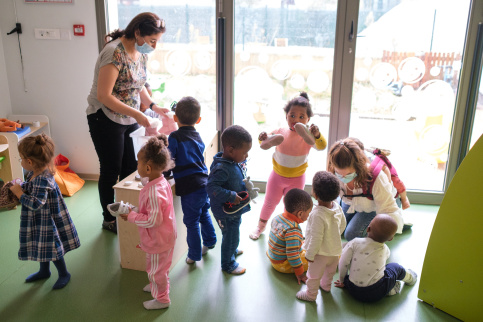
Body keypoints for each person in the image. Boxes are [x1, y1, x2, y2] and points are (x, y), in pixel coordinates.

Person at [86, 12, 169, 233]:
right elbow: (104, 95)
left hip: (129, 115)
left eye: (156, 42)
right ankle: (109, 218)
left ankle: (126, 212)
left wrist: (152, 106)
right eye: (152, 40)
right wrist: (139, 115)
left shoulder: (140, 53)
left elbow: (138, 82)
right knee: (111, 169)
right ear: (138, 32)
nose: (154, 46)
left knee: (131, 167)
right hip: (104, 116)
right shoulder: (114, 52)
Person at [249, 92, 327, 240]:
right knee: (269, 202)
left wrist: (316, 135)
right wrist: (263, 138)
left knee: (292, 207)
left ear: (308, 119)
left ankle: (289, 231)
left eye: (301, 117)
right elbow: (263, 143)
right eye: (292, 115)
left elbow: (321, 146)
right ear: (286, 116)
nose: (295, 119)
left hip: (297, 178)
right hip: (277, 176)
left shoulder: (308, 137)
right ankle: (260, 227)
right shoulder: (280, 132)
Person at [9, 134, 80, 290]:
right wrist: (23, 187)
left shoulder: (42, 178)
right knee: (42, 244)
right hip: (40, 219)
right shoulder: (34, 173)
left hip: (47, 220)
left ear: (30, 161)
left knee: (51, 246)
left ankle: (64, 274)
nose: (20, 161)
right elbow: (33, 190)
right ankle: (44, 270)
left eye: (21, 158)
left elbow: (36, 203)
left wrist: (20, 194)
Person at [119, 135, 176, 310]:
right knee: (157, 267)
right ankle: (156, 285)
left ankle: (162, 299)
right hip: (162, 237)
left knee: (156, 270)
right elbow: (154, 211)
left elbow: (153, 219)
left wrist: (131, 217)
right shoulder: (159, 182)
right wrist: (135, 210)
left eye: (138, 163)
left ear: (148, 167)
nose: (137, 166)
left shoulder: (153, 190)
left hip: (158, 239)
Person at [167, 96, 217, 264]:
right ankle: (210, 241)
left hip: (189, 187)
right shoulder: (198, 136)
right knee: (204, 213)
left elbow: (169, 159)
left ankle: (194, 255)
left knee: (191, 222)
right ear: (198, 120)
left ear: (175, 118)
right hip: (204, 182)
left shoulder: (174, 137)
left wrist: (164, 175)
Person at [327, 139, 404, 241]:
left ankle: (401, 217)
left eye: (349, 174)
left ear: (359, 167)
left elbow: (388, 209)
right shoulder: (332, 171)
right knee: (334, 227)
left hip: (373, 206)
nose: (343, 177)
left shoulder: (375, 177)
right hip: (352, 204)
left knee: (351, 235)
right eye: (339, 174)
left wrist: (388, 229)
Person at [335, 214, 418, 302]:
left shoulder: (355, 243)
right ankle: (410, 278)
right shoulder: (385, 249)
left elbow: (343, 262)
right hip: (377, 293)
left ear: (368, 229)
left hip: (352, 289)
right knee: (394, 267)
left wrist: (342, 281)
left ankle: (390, 289)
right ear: (390, 238)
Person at [206, 125, 252, 275]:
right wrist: (231, 195)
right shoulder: (221, 168)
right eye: (245, 153)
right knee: (230, 234)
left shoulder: (231, 161)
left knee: (234, 232)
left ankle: (232, 249)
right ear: (231, 150)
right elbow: (211, 187)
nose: (246, 155)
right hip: (225, 212)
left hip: (234, 211)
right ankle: (228, 264)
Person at [296, 171, 346, 301]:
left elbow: (316, 238)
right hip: (335, 252)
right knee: (329, 272)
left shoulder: (317, 214)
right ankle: (326, 286)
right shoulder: (337, 207)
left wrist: (310, 255)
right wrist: (334, 236)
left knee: (313, 276)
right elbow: (343, 225)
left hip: (320, 254)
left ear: (315, 194)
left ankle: (310, 295)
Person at [348, 137, 410, 210]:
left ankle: (404, 198)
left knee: (396, 182)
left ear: (361, 152)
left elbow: (387, 183)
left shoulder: (371, 161)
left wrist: (387, 185)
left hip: (385, 170)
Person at [266, 188, 312, 284]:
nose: (309, 215)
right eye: (309, 212)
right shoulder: (293, 229)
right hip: (282, 264)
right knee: (314, 259)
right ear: (300, 213)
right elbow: (293, 256)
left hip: (273, 256)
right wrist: (299, 274)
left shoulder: (278, 217)